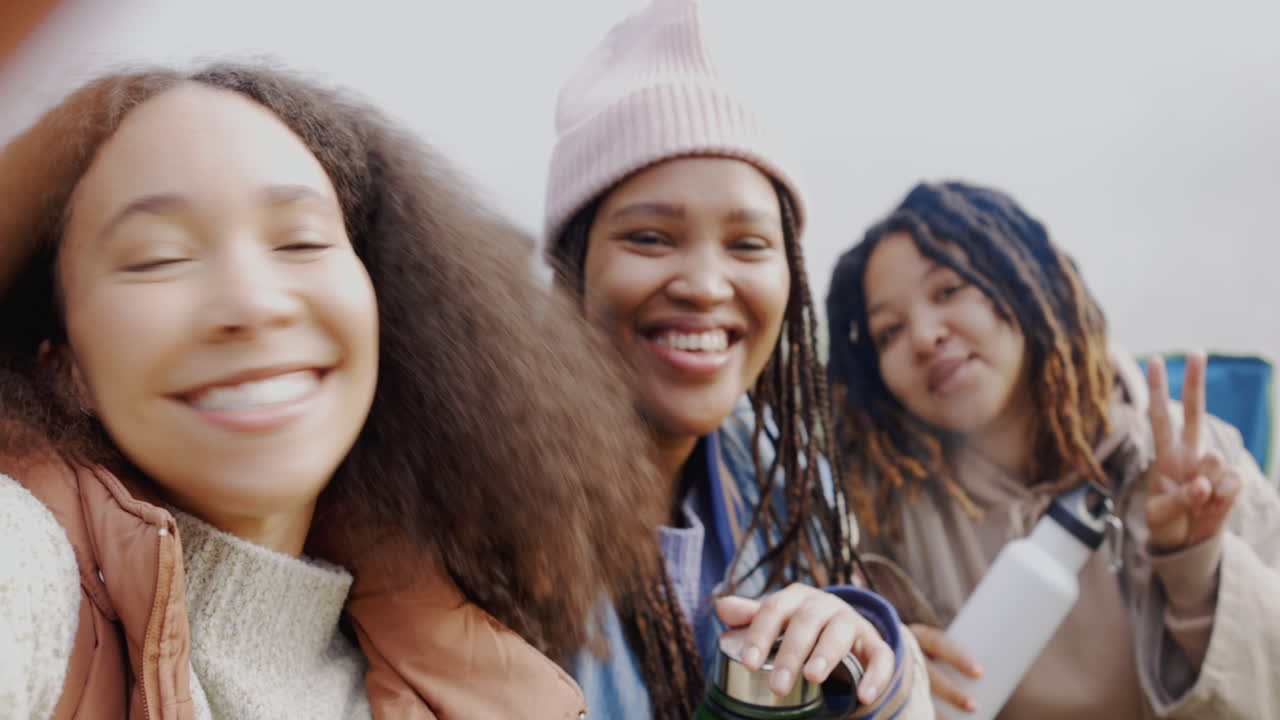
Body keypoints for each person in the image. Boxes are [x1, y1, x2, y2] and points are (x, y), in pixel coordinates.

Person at [0, 63, 662, 719]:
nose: (255, 303)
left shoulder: (475, 663)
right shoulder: (25, 566)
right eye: (160, 257)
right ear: (64, 366)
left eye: (300, 241)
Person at [544, 2, 933, 718]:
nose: (705, 285)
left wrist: (873, 671)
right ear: (572, 266)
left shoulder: (789, 485)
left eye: (748, 245)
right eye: (650, 237)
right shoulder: (476, 516)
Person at [826, 180, 1280, 719]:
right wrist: (891, 680)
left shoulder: (1190, 458)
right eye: (888, 331)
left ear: (1023, 282)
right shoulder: (880, 504)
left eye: (948, 290)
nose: (924, 336)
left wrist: (1197, 566)